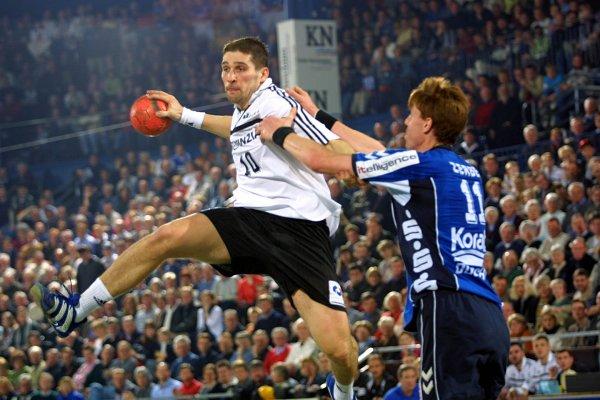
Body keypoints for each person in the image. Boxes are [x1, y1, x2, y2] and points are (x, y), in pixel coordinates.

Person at [31, 37, 358, 400]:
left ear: (263, 74)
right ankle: (76, 310)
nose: (230, 77)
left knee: (340, 351)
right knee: (165, 238)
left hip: (301, 233)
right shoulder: (248, 107)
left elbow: (336, 146)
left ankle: (343, 391)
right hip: (250, 219)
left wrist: (351, 166)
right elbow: (236, 127)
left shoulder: (279, 104)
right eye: (226, 69)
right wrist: (184, 114)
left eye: (240, 69)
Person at [256, 77, 510, 399]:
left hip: (447, 306)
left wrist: (279, 132)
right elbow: (379, 152)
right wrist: (318, 115)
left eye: (412, 116)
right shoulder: (465, 168)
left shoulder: (420, 167)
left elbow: (321, 161)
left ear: (427, 124)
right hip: (489, 314)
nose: (406, 122)